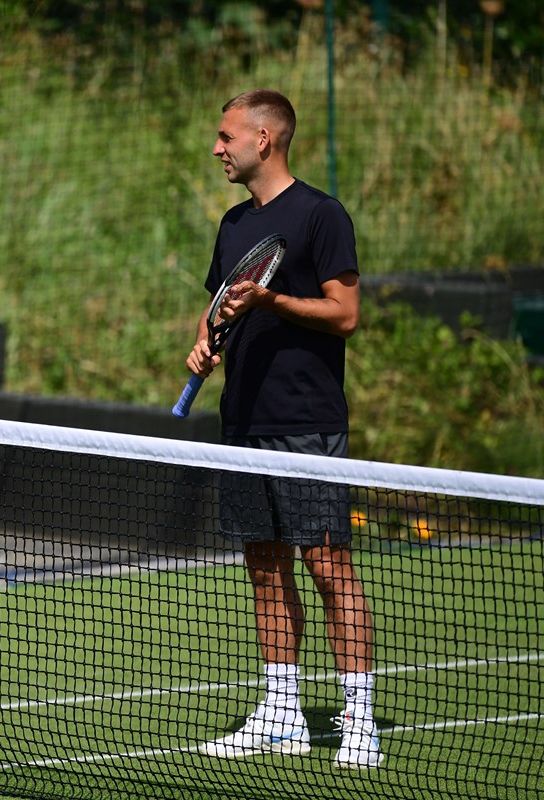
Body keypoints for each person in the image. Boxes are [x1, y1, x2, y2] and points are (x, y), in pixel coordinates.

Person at [184, 89, 383, 770]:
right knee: (264, 569)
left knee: (328, 567)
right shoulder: (234, 224)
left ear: (263, 139)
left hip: (306, 424)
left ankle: (359, 719)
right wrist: (203, 345)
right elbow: (216, 307)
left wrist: (272, 300)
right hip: (242, 420)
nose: (217, 148)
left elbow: (346, 314)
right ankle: (281, 712)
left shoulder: (323, 215)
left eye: (225, 136)